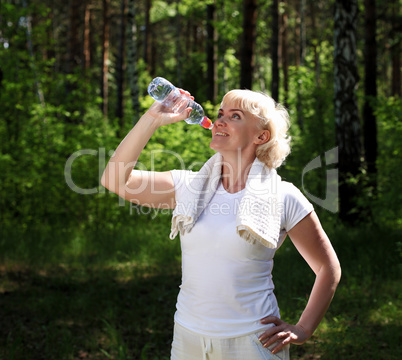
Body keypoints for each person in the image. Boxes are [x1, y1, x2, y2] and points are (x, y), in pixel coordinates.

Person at [101, 88, 341, 360]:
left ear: (261, 136)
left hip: (253, 341)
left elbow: (328, 268)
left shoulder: (283, 196)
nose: (220, 121)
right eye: (220, 114)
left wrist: (303, 329)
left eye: (235, 116)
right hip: (188, 338)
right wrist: (152, 119)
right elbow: (114, 180)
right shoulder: (188, 186)